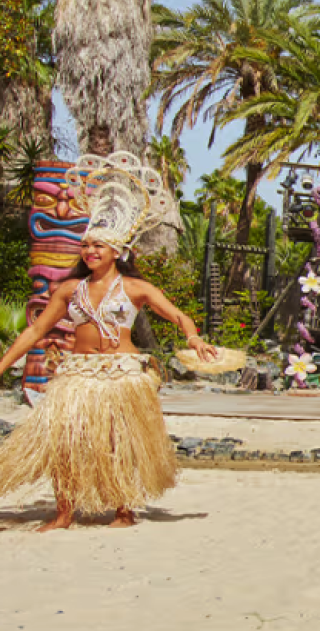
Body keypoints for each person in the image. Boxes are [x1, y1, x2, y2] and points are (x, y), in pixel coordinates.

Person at [0, 165, 217, 531]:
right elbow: (36, 329)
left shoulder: (136, 288)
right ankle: (65, 511)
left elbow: (178, 316)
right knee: (64, 441)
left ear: (116, 251)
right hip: (77, 373)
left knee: (119, 443)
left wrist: (193, 338)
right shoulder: (69, 291)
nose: (89, 251)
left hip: (122, 374)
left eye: (97, 245)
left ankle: (123, 508)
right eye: (85, 245)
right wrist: (3, 363)